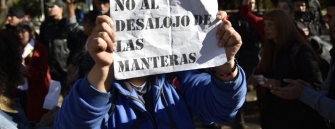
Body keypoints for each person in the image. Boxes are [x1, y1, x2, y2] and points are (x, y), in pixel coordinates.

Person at [55, 12, 247, 128]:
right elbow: (74, 124)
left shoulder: (178, 80)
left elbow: (222, 109)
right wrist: (104, 68)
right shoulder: (99, 87)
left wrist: (224, 62)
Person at [251, 9, 327, 129]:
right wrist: (262, 80)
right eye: (265, 24)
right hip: (276, 115)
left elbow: (316, 86)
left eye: (270, 24)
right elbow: (270, 75)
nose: (265, 28)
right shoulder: (271, 49)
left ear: (282, 25)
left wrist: (280, 84)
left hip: (299, 118)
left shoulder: (300, 51)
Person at [271, 0, 335, 126]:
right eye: (330, 17)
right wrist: (309, 90)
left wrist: (305, 93)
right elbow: (326, 91)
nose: (331, 23)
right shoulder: (273, 47)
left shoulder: (301, 49)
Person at [228, 0, 263, 129]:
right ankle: (238, 118)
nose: (252, 4)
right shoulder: (235, 18)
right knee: (240, 90)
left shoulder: (259, 18)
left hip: (259, 58)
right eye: (249, 1)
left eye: (253, 1)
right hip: (243, 59)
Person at [16, 21, 52, 123]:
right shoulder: (14, 48)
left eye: (23, 32)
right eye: (18, 32)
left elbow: (42, 74)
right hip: (17, 92)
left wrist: (24, 68)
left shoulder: (39, 49)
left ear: (31, 33)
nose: (20, 35)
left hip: (34, 93)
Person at [38, 0, 70, 94]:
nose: (49, 9)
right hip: (50, 70)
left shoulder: (68, 25)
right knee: (51, 102)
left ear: (61, 8)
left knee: (68, 100)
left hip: (66, 70)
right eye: (48, 7)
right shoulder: (45, 25)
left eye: (52, 7)